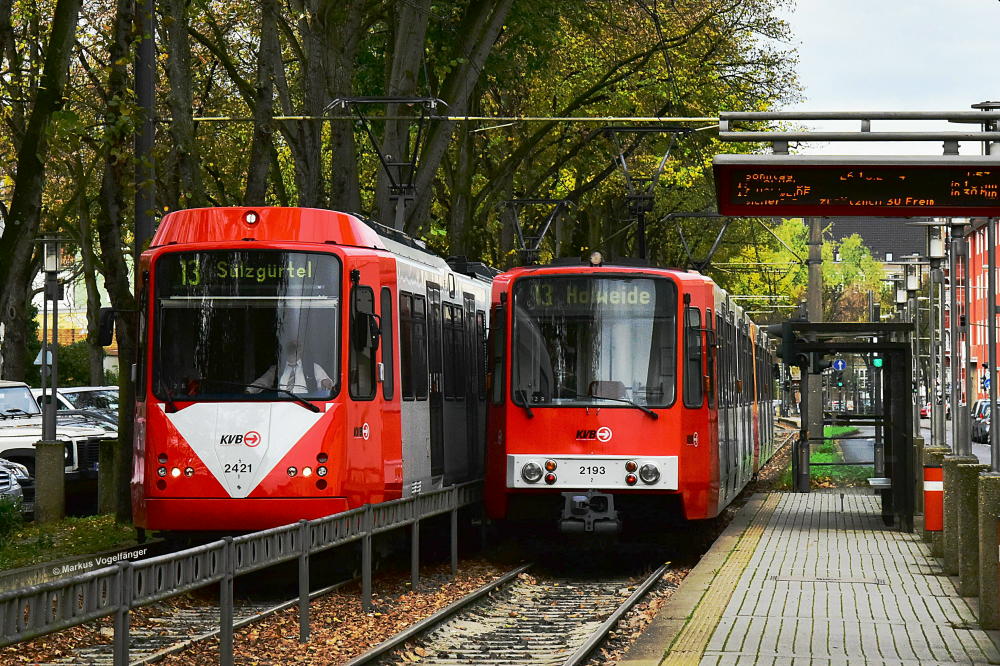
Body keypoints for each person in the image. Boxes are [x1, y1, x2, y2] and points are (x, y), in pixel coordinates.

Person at [249, 340, 333, 394]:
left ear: (301, 349)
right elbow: (261, 382)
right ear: (285, 349)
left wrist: (326, 382)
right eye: (291, 347)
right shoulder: (276, 369)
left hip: (305, 407)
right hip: (279, 406)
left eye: (296, 346)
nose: (294, 349)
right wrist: (249, 391)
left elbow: (326, 383)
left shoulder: (314, 367)